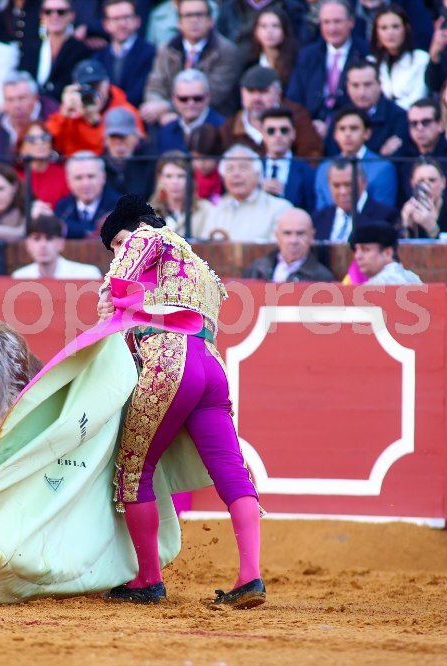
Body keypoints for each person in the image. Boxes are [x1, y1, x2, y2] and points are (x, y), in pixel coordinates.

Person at [94, 194, 265, 609]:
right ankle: (250, 577)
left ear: (133, 227)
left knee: (134, 471)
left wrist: (107, 295)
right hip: (211, 367)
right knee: (230, 469)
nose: (117, 251)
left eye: (116, 242)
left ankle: (148, 580)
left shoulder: (147, 236)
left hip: (170, 363)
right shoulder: (195, 263)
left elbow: (124, 271)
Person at [142, 0, 240, 121]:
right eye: (188, 15)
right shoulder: (167, 49)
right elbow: (155, 86)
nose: (194, 21)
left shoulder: (226, 51)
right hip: (169, 117)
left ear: (211, 21)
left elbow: (214, 95)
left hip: (212, 119)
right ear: (179, 23)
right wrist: (159, 111)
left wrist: (168, 107)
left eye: (199, 15)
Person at [286, 0, 369, 122]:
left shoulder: (365, 53)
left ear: (351, 22)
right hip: (312, 128)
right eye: (326, 22)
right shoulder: (307, 55)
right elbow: (293, 99)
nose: (332, 28)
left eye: (337, 21)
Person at [220, 65, 323, 159]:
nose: (256, 98)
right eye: (250, 91)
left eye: (263, 91)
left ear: (278, 94)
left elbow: (311, 156)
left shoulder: (296, 116)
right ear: (242, 94)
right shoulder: (230, 127)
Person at [47, 59, 145, 156]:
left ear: (107, 83)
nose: (93, 93)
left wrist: (95, 121)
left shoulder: (125, 112)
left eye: (97, 86)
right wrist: (63, 115)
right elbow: (50, 145)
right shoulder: (71, 111)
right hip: (72, 167)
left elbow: (137, 148)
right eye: (88, 87)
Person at [203, 144, 293, 241]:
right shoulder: (215, 209)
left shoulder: (279, 209)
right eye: (230, 169)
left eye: (243, 168)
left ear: (258, 175)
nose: (236, 174)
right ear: (223, 177)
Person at [314, 108, 398, 209]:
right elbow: (322, 212)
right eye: (342, 129)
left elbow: (384, 212)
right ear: (335, 135)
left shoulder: (383, 167)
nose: (347, 134)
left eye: (354, 128)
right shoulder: (324, 168)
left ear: (367, 133)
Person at [325, 60, 409, 157]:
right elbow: (332, 157)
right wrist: (380, 154)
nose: (362, 92)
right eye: (355, 85)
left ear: (379, 84)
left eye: (367, 84)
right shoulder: (338, 117)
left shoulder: (398, 117)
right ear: (347, 86)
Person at [312, 157, 400, 246]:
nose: (342, 192)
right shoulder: (318, 219)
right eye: (336, 185)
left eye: (348, 185)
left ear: (364, 183)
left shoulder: (385, 216)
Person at [242, 208, 335, 282]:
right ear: (277, 236)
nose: (293, 240)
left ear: (312, 236)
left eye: (300, 233)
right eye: (287, 233)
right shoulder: (257, 269)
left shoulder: (322, 278)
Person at [96, 0, 156, 108]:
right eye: (115, 19)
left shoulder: (151, 54)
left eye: (127, 17)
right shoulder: (98, 57)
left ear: (138, 21)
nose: (122, 24)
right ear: (106, 24)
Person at [0, 71, 60, 155]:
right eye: (10, 99)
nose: (16, 106)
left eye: (22, 98)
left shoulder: (53, 115)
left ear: (35, 97)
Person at [369, 4, 430, 110]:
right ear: (377, 33)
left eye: (395, 27)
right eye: (384, 28)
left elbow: (419, 96)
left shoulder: (421, 59)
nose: (390, 33)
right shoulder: (370, 62)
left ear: (406, 29)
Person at [153, 68, 226, 154]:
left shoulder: (223, 129)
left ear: (208, 97)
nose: (190, 103)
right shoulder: (166, 131)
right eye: (183, 99)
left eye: (197, 98)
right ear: (174, 99)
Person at [53, 152, 122, 238]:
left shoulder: (119, 206)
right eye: (78, 178)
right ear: (69, 181)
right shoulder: (62, 208)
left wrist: (67, 228)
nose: (85, 184)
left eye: (91, 176)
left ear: (103, 177)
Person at [260, 107, 317, 212]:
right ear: (262, 135)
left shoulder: (308, 172)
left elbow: (312, 211)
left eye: (284, 130)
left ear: (293, 134)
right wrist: (258, 192)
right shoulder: (253, 167)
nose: (278, 135)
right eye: (271, 131)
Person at [12, 215, 103, 279]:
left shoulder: (87, 275)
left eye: (49, 239)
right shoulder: (19, 277)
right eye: (37, 239)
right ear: (28, 244)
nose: (43, 245)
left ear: (61, 243)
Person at [148, 151, 215, 237]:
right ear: (160, 179)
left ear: (190, 180)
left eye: (181, 176)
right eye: (169, 176)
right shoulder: (149, 213)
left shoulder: (206, 209)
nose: (175, 182)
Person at [36, 0, 93, 100]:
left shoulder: (80, 50)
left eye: (61, 12)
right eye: (48, 11)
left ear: (71, 15)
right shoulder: (33, 48)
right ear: (42, 15)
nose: (54, 16)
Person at [401, 159, 447, 239]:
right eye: (421, 181)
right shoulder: (407, 212)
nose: (426, 186)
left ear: (443, 182)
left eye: (432, 180)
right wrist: (405, 226)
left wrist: (432, 228)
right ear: (412, 184)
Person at [235, 6, 301, 86]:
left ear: (284, 30)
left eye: (275, 26)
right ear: (256, 31)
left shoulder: (298, 60)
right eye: (264, 26)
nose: (269, 31)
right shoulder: (248, 62)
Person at [102, 107, 157, 200]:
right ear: (106, 140)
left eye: (124, 137)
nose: (119, 144)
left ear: (136, 137)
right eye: (113, 138)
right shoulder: (99, 166)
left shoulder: (150, 161)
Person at [14, 121, 72, 208]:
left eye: (45, 138)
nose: (40, 143)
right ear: (22, 148)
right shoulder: (15, 177)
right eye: (32, 139)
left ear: (51, 144)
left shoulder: (65, 175)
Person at [349, 222, 423, 284]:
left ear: (388, 252)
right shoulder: (413, 277)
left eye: (366, 249)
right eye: (356, 250)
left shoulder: (376, 285)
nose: (357, 256)